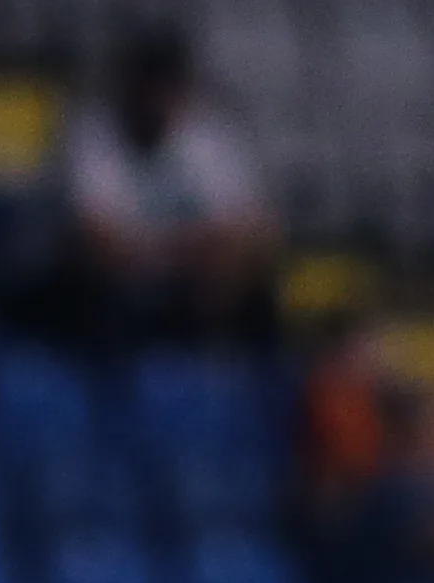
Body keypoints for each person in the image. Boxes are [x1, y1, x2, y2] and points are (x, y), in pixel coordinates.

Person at [62, 24, 276, 348]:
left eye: (165, 86)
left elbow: (247, 228)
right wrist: (180, 250)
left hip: (191, 282)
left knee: (247, 261)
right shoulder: (95, 133)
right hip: (118, 286)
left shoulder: (211, 135)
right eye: (148, 85)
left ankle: (219, 357)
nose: (155, 100)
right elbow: (96, 237)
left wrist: (164, 252)